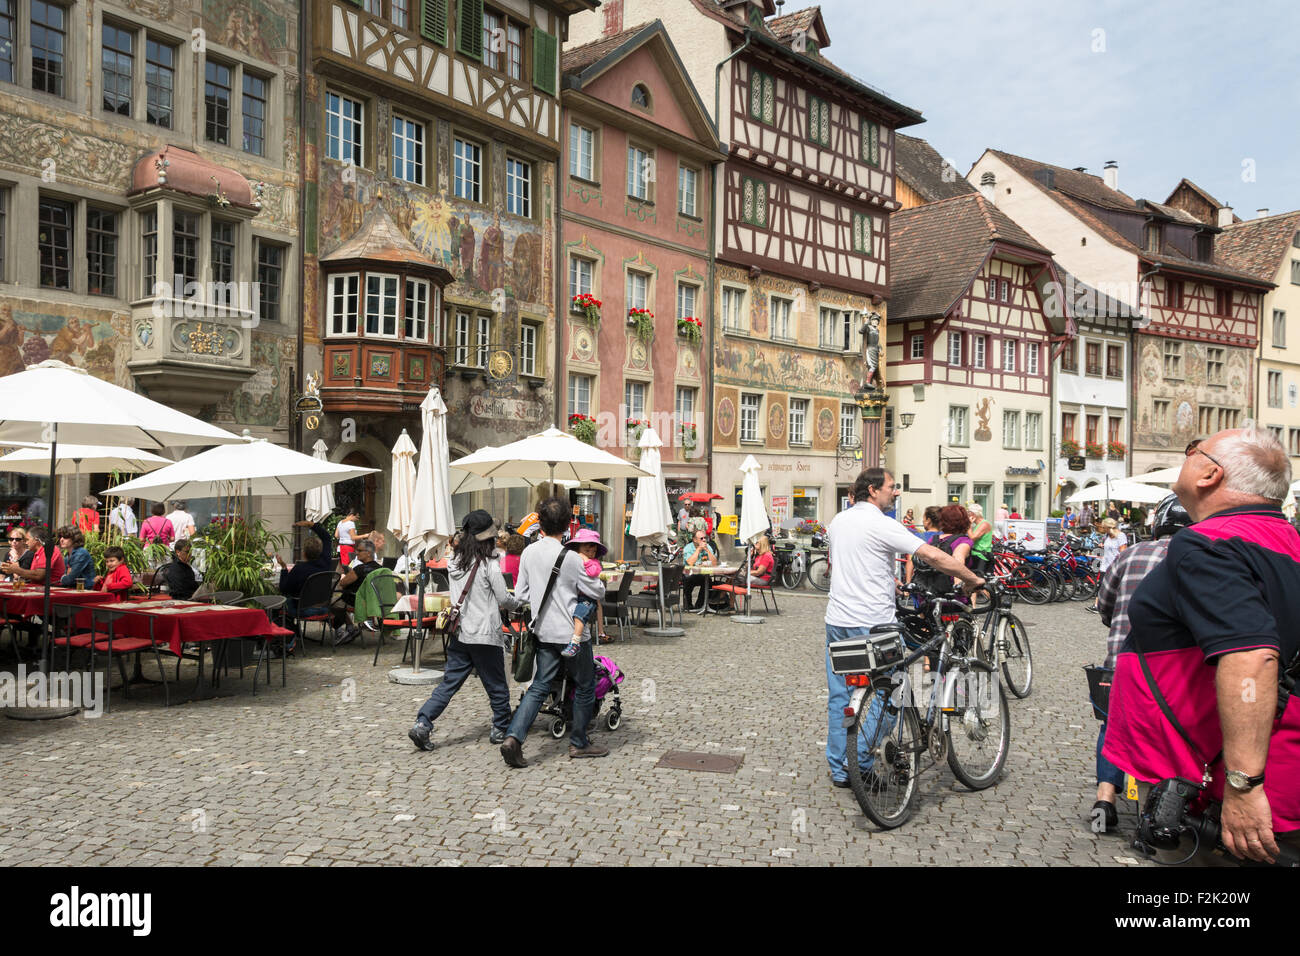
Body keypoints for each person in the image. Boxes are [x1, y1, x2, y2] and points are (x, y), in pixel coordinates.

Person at [1104, 426, 1300, 864]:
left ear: (1210, 474)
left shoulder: (1209, 544)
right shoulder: (1286, 541)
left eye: (1192, 449)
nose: (1185, 454)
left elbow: (1251, 657)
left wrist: (1244, 787)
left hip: (1234, 793)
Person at [825, 469, 984, 789]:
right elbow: (931, 554)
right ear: (873, 491)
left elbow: (852, 561)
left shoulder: (838, 521)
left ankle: (840, 768)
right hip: (873, 624)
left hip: (838, 621)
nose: (895, 493)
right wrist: (971, 578)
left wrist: (889, 582)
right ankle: (859, 759)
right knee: (891, 693)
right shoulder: (882, 524)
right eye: (891, 487)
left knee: (841, 695)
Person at [1090, 494, 1192, 833]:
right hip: (1170, 668)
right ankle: (1158, 810)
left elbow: (1104, 603)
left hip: (1119, 661)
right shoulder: (1195, 558)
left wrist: (1117, 622)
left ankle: (1105, 800)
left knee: (1112, 727)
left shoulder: (1130, 554)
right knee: (1167, 731)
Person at [500, 496, 608, 767]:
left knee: (539, 687)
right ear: (566, 524)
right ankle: (579, 742)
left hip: (543, 632)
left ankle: (513, 737)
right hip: (573, 634)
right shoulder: (571, 557)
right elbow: (596, 591)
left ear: (540, 522)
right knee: (585, 685)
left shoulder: (528, 552)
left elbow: (522, 593)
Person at [408, 510, 523, 751]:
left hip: (461, 632)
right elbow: (503, 597)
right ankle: (500, 727)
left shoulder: (454, 561)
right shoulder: (490, 563)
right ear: (488, 537)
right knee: (496, 684)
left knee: (449, 684)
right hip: (485, 633)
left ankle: (423, 722)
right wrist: (520, 603)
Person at [277, 520, 335, 621]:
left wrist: (284, 568)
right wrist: (311, 525)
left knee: (280, 601)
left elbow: (284, 589)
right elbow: (327, 538)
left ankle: (290, 631)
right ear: (320, 551)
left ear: (304, 553)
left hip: (303, 610)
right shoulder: (326, 563)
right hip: (323, 607)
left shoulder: (299, 569)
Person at [911, 504, 973, 596]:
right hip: (951, 596)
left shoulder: (934, 539)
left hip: (928, 593)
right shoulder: (963, 540)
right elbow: (958, 559)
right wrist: (958, 583)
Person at [563, 528, 608, 654]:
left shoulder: (594, 563)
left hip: (587, 598)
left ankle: (575, 642)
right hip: (576, 596)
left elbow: (593, 572)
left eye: (593, 551)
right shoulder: (573, 561)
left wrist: (585, 560)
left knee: (579, 615)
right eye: (586, 551)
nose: (590, 553)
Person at [333, 537, 379, 643]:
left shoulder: (359, 569)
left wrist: (344, 575)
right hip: (375, 602)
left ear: (368, 553)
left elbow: (342, 583)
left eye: (359, 550)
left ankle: (349, 627)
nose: (356, 552)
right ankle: (349, 628)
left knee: (332, 604)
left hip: (357, 602)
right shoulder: (380, 569)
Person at [1088, 518, 1126, 612]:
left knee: (1115, 587)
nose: (1103, 529)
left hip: (1115, 566)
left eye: (1104, 528)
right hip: (1105, 565)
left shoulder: (1121, 536)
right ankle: (1097, 605)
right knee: (1101, 585)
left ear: (1108, 528)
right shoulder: (1107, 536)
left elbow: (1123, 551)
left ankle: (1116, 606)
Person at [682, 527, 718, 610]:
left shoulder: (707, 546)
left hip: (702, 574)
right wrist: (698, 549)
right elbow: (690, 563)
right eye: (701, 538)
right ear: (695, 540)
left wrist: (707, 551)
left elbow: (714, 563)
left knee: (708, 581)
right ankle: (688, 604)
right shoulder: (688, 548)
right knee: (688, 580)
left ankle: (700, 604)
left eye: (705, 538)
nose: (704, 540)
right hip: (689, 573)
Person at [967, 503, 993, 575]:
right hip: (975, 554)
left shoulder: (984, 524)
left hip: (981, 556)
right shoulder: (978, 525)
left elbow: (972, 538)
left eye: (968, 512)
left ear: (973, 514)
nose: (967, 515)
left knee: (979, 579)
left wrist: (969, 525)